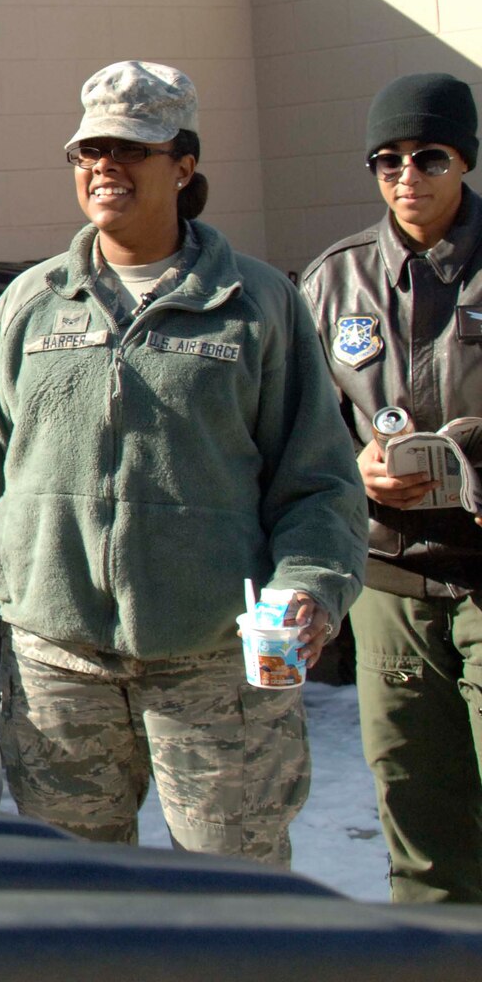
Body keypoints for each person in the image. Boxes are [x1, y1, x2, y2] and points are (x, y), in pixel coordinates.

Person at [0, 60, 365, 865]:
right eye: (89, 151)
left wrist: (309, 588)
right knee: (79, 904)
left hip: (213, 666)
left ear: (183, 166)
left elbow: (318, 481)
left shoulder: (257, 306)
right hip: (56, 665)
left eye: (131, 149)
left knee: (236, 902)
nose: (105, 166)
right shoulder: (32, 305)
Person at [298, 72, 482, 904]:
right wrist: (354, 463)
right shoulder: (334, 282)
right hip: (391, 581)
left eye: (428, 156)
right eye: (387, 160)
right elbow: (298, 428)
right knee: (415, 805)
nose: (407, 177)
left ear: (466, 160)